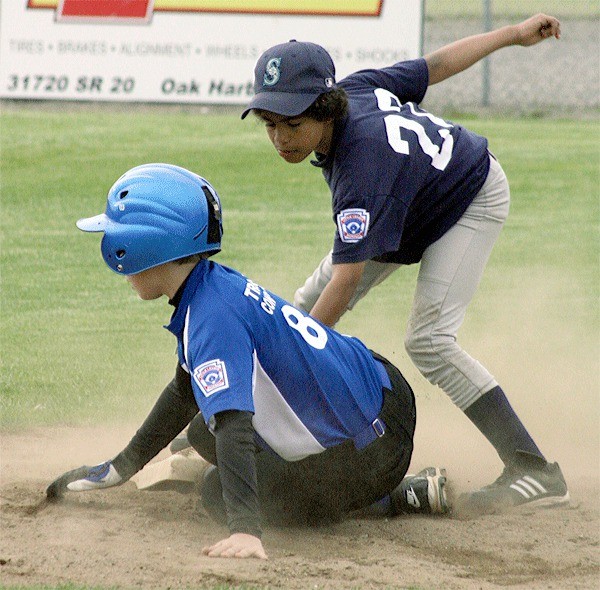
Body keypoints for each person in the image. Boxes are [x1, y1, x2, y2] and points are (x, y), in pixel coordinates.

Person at [240, 14, 569, 513]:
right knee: (305, 304)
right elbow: (435, 66)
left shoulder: (359, 165)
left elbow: (347, 280)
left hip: (467, 197)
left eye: (293, 123)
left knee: (428, 340)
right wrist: (511, 34)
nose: (281, 137)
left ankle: (533, 468)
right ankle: (255, 412)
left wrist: (294, 367)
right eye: (270, 124)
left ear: (327, 109)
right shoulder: (357, 91)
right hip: (405, 202)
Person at [46, 163, 449, 561]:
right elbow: (185, 390)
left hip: (375, 447)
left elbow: (235, 423)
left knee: (216, 490)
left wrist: (244, 529)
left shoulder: (209, 316)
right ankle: (350, 481)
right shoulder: (211, 285)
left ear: (147, 244)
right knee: (205, 433)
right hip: (380, 388)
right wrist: (120, 467)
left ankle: (393, 497)